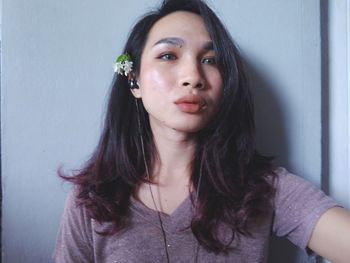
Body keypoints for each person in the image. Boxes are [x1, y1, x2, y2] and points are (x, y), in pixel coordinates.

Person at [54, 0, 350, 262]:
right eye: (168, 56)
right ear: (134, 81)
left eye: (210, 60)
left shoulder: (264, 190)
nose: (193, 77)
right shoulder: (91, 200)